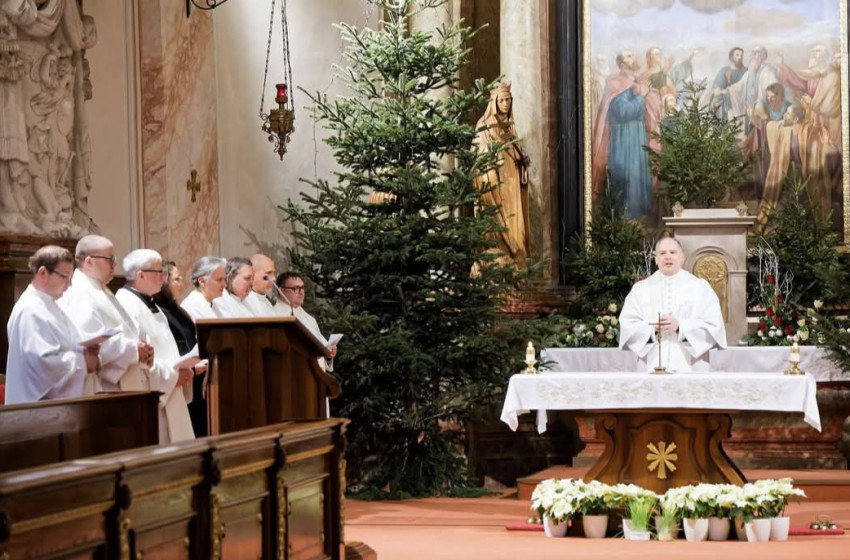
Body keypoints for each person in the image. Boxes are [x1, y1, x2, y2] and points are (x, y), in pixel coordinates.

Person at [116, 249, 194, 443]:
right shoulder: (126, 305)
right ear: (140, 274)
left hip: (170, 389)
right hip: (155, 393)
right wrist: (174, 375)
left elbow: (164, 347)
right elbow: (137, 359)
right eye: (158, 272)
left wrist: (185, 366)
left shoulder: (151, 303)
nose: (163, 277)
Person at [58, 235, 153, 392]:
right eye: (110, 259)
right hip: (106, 389)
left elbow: (125, 327)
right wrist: (134, 349)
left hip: (127, 381)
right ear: (89, 262)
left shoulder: (100, 289)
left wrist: (144, 345)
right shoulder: (78, 293)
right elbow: (89, 342)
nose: (115, 263)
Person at [6, 245, 101, 403]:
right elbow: (42, 365)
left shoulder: (49, 305)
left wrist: (86, 349)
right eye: (65, 276)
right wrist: (83, 361)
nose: (69, 285)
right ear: (43, 273)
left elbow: (65, 346)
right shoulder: (30, 310)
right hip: (37, 413)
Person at [619, 236, 727, 372]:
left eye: (673, 252)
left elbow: (714, 326)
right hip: (651, 365)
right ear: (656, 260)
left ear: (681, 257)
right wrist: (653, 330)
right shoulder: (640, 289)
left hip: (692, 366)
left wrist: (680, 327)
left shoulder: (700, 288)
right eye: (662, 253)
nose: (668, 257)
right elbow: (628, 324)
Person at [473, 82, 530, 268]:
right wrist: (491, 153)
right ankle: (501, 254)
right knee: (499, 218)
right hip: (496, 182)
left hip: (512, 180)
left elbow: (516, 153)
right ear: (494, 102)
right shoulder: (484, 126)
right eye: (502, 100)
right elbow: (479, 155)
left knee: (515, 221)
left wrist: (522, 163)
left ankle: (517, 258)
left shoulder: (509, 128)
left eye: (508, 100)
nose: (505, 104)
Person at [591, 50, 652, 220]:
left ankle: (639, 220)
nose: (633, 57)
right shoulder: (616, 84)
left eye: (632, 54)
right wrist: (641, 98)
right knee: (627, 177)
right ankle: (625, 221)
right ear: (622, 64)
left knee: (638, 177)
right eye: (628, 56)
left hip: (637, 136)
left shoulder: (636, 82)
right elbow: (622, 111)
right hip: (624, 140)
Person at [155, 260, 208, 437]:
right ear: (164, 282)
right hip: (181, 377)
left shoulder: (176, 309)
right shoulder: (160, 312)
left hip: (193, 374)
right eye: (177, 279)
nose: (181, 283)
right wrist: (192, 365)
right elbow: (174, 347)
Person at [277, 271, 337, 371]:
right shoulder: (274, 314)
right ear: (281, 291)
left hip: (315, 374)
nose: (301, 292)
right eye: (295, 288)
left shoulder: (309, 319)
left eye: (302, 288)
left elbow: (321, 347)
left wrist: (329, 353)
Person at [181, 256, 226, 320]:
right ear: (202, 281)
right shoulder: (192, 306)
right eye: (219, 280)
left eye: (224, 279)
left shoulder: (214, 304)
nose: (224, 285)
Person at [711, 47, 747, 121]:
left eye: (741, 55)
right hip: (725, 102)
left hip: (741, 102)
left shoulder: (746, 71)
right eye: (737, 55)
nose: (740, 57)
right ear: (731, 57)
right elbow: (716, 89)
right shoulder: (724, 70)